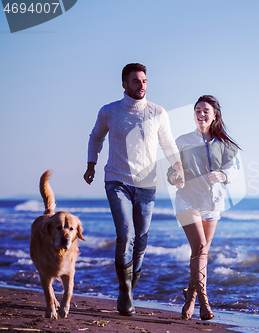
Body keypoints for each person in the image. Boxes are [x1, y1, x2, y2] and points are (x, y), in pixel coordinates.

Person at [83, 63, 184, 316]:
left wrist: (178, 166)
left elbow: (168, 143)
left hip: (147, 185)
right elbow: (96, 136)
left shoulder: (157, 112)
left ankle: (126, 288)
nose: (142, 86)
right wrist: (91, 163)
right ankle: (126, 292)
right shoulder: (109, 112)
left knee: (142, 240)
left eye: (145, 81)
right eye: (136, 81)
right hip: (117, 180)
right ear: (124, 84)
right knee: (126, 234)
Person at [167, 95, 240, 321]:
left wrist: (223, 175)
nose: (201, 114)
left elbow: (234, 171)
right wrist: (175, 177)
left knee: (201, 253)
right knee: (199, 246)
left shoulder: (225, 145)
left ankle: (190, 295)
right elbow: (171, 172)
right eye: (197, 110)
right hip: (187, 199)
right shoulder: (182, 141)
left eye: (205, 111)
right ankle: (204, 301)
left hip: (212, 204)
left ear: (215, 115)